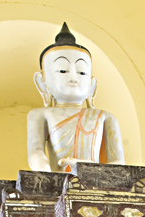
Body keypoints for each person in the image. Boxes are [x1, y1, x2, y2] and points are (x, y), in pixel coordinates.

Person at [27, 22, 125, 173]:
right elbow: (36, 152)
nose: (73, 77)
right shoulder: (40, 115)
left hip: (94, 182)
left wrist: (84, 166)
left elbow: (118, 163)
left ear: (92, 85)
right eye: (62, 70)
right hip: (58, 180)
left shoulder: (105, 117)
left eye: (81, 72)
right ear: (42, 82)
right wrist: (47, 174)